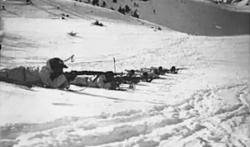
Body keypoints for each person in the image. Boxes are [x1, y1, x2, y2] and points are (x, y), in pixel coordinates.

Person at [0, 57, 115, 89]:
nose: (62, 71)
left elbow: (62, 86)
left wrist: (68, 80)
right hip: (15, 74)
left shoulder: (51, 72)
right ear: (54, 68)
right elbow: (51, 85)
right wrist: (64, 77)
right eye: (60, 69)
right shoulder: (43, 70)